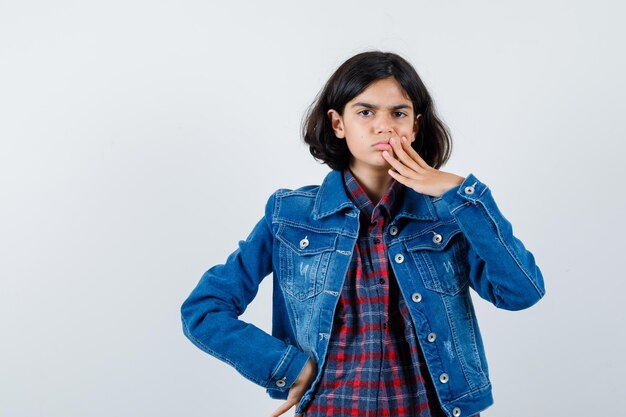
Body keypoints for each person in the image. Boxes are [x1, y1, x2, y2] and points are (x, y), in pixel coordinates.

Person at [180, 50, 545, 417]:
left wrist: (461, 192)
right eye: (365, 112)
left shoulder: (448, 215)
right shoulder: (289, 215)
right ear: (338, 123)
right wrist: (287, 367)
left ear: (415, 126)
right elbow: (204, 309)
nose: (384, 126)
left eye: (398, 113)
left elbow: (520, 292)